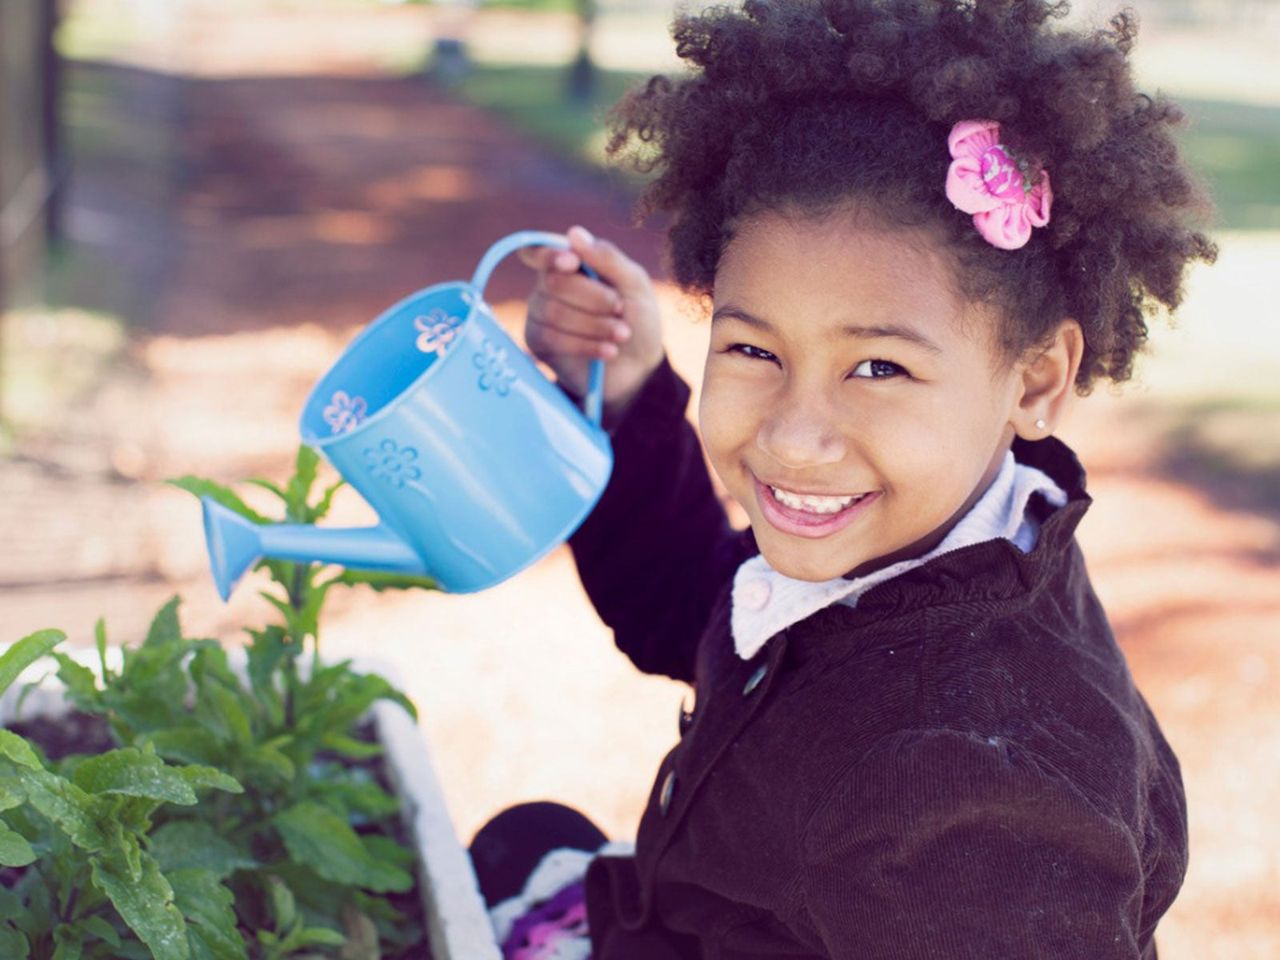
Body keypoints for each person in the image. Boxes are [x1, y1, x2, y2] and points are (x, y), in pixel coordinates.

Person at [468, 1, 1216, 957]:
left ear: (1036, 379)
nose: (795, 435)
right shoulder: (935, 540)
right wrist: (627, 393)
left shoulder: (986, 813)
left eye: (878, 368)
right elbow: (692, 607)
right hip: (667, 916)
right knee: (526, 837)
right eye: (751, 348)